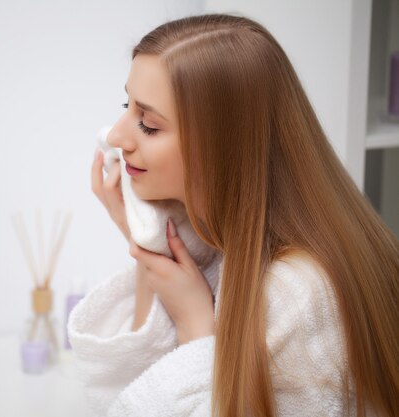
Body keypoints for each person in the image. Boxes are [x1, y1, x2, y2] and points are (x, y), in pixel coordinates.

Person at [67, 13, 399, 417]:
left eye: (148, 125)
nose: (116, 136)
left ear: (221, 147)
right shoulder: (206, 237)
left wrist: (195, 328)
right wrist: (145, 242)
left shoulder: (299, 294)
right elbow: (126, 389)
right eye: (126, 105)